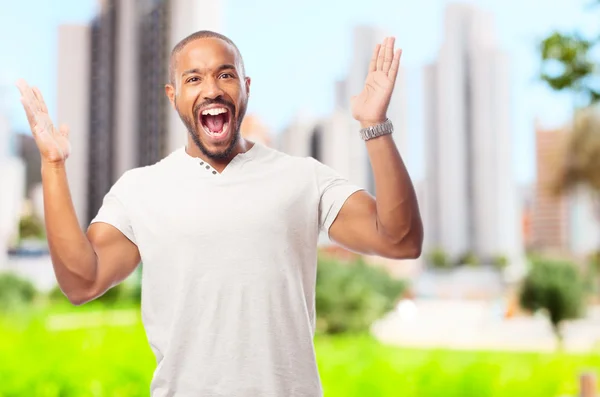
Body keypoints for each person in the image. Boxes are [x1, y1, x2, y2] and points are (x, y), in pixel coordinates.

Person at [17, 30, 423, 397]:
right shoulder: (139, 190)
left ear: (245, 88)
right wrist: (53, 165)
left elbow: (399, 239)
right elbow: (80, 283)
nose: (211, 88)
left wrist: (375, 125)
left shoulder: (303, 177)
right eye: (193, 78)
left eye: (225, 75)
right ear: (173, 96)